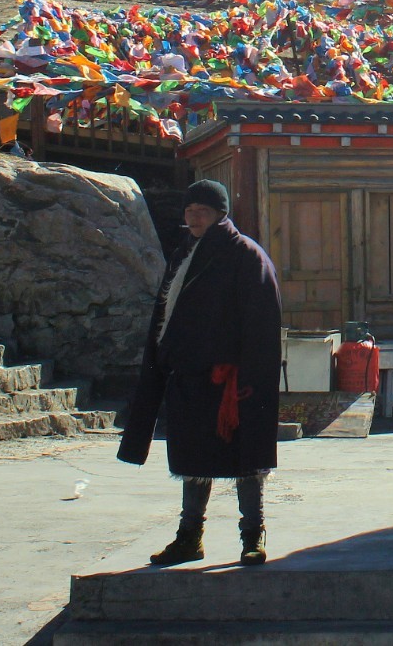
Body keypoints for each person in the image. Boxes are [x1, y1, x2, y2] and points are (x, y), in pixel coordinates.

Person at [119, 179, 281, 568]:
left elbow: (261, 325)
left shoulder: (246, 256)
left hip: (232, 383)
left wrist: (250, 380)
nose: (193, 218)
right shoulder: (185, 254)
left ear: (220, 214)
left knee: (246, 459)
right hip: (190, 379)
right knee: (193, 460)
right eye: (189, 211)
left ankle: (252, 536)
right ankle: (189, 537)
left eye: (202, 211)